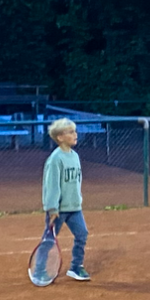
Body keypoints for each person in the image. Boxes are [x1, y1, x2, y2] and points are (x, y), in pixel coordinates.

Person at [41, 117, 89, 282]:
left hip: (74, 207)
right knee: (49, 240)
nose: (75, 135)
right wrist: (52, 208)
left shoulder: (75, 156)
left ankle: (76, 267)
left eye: (75, 131)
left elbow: (77, 181)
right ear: (60, 137)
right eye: (70, 132)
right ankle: (39, 269)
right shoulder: (55, 159)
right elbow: (52, 185)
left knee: (82, 234)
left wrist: (78, 199)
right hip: (59, 209)